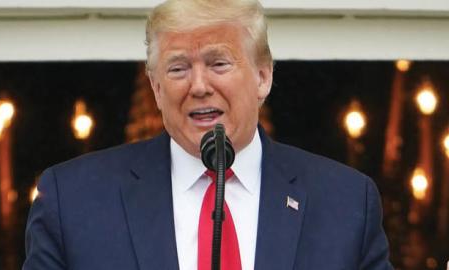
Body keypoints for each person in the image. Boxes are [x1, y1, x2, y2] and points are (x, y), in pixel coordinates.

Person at [23, 0, 393, 269]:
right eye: (178, 68)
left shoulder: (345, 204)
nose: (199, 86)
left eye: (218, 63)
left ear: (263, 76)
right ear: (155, 87)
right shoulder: (72, 200)